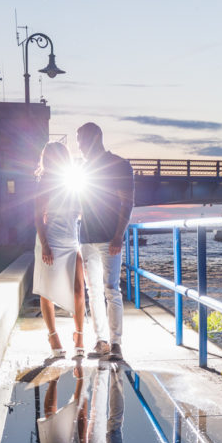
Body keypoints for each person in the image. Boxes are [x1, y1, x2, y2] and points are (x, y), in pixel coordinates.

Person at [76, 122, 134, 361]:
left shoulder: (120, 165)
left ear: (97, 137)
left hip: (109, 237)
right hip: (87, 238)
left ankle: (116, 342)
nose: (79, 146)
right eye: (78, 141)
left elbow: (127, 202)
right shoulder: (81, 168)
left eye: (82, 140)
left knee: (111, 289)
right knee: (94, 292)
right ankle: (101, 341)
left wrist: (119, 235)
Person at [33, 141, 85, 359]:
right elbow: (37, 217)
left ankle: (80, 335)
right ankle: (53, 336)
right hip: (51, 241)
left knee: (79, 290)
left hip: (72, 241)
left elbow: (82, 213)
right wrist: (45, 244)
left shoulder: (74, 182)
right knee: (48, 291)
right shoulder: (44, 184)